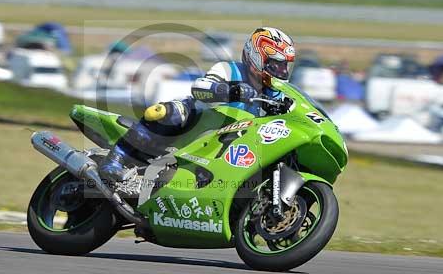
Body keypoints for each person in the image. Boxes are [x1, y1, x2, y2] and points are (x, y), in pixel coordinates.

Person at [99, 27, 296, 183]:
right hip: (198, 121)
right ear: (256, 57)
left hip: (230, 142)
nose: (280, 70)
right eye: (275, 64)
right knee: (163, 113)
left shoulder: (276, 93)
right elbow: (200, 87)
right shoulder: (230, 70)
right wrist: (232, 90)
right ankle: (116, 158)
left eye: (284, 66)